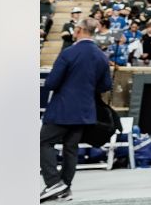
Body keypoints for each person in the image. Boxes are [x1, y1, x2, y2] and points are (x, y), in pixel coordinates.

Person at [40, 17, 112, 202]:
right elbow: (105, 85)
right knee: (70, 149)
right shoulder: (102, 56)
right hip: (85, 111)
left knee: (43, 143)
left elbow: (51, 82)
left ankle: (54, 183)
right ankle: (65, 189)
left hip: (63, 109)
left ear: (79, 30)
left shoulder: (68, 53)